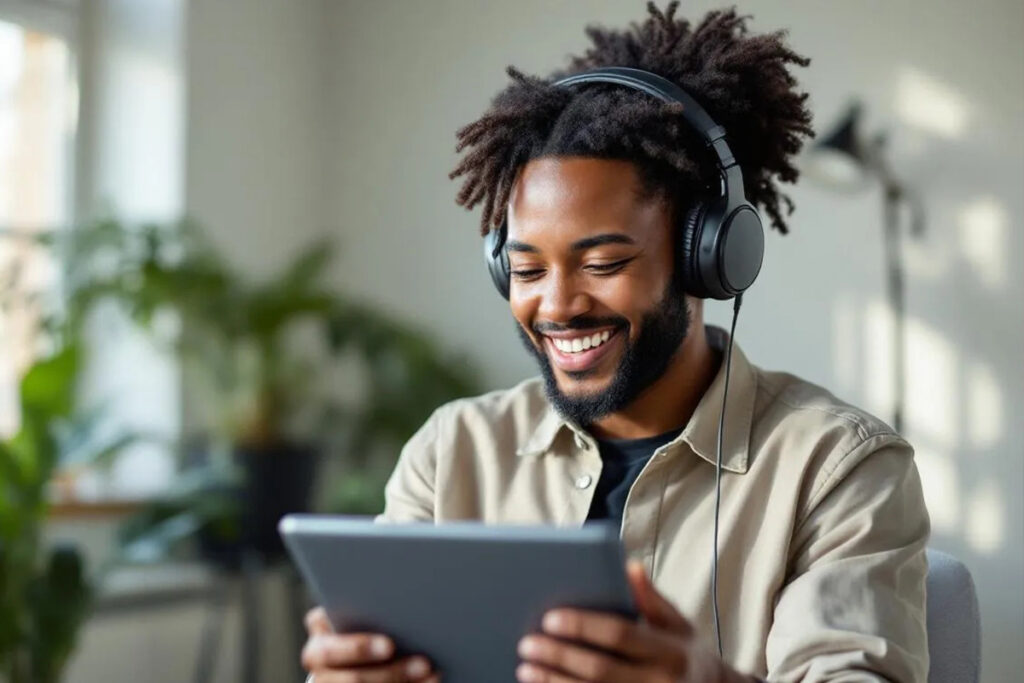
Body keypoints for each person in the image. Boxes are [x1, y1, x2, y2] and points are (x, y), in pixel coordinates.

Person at [300, 3, 930, 681]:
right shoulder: (451, 453)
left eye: (603, 264)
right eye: (527, 269)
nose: (559, 305)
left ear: (705, 256)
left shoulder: (836, 468)